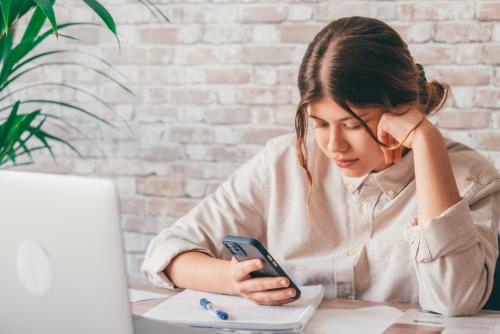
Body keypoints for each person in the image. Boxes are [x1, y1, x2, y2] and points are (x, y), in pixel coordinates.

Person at [141, 16, 500, 316]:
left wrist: (426, 142)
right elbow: (167, 251)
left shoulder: (471, 178)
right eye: (320, 124)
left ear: (402, 110)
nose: (333, 145)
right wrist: (229, 277)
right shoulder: (283, 162)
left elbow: (455, 301)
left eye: (354, 125)